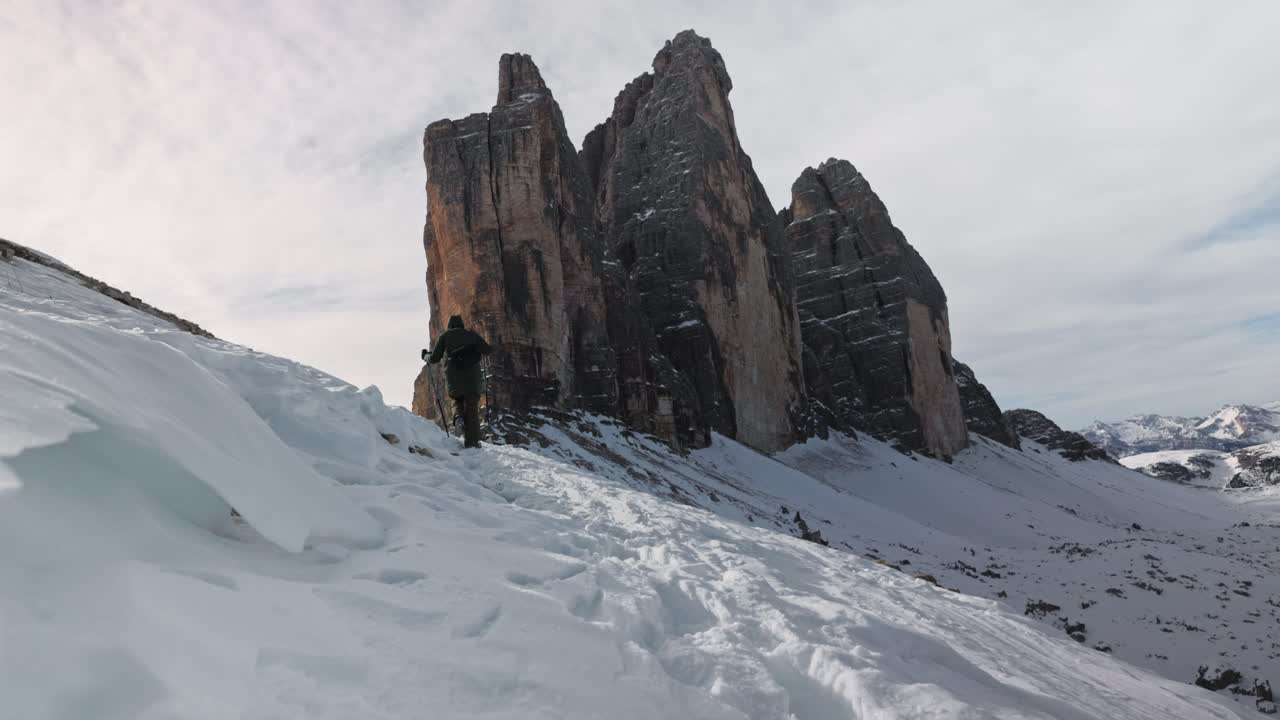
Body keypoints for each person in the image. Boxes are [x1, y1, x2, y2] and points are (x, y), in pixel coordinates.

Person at [423, 315, 492, 448]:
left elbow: (435, 358)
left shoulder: (445, 336)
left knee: (457, 399)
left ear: (450, 325)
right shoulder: (471, 335)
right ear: (461, 324)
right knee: (472, 408)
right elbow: (487, 350)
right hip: (473, 379)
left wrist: (426, 356)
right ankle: (472, 443)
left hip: (454, 377)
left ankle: (458, 417)